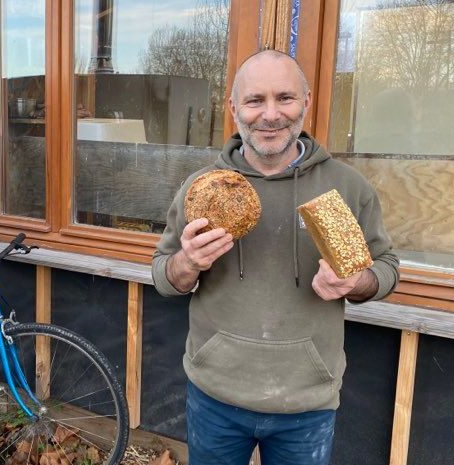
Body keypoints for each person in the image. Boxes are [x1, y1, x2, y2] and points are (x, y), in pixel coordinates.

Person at [151, 50, 400, 465]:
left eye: (285, 98)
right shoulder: (202, 188)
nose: (270, 115)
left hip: (307, 404)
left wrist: (356, 282)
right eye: (254, 101)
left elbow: (386, 267)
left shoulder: (346, 187)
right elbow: (163, 275)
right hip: (215, 395)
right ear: (233, 109)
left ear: (306, 101)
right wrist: (188, 263)